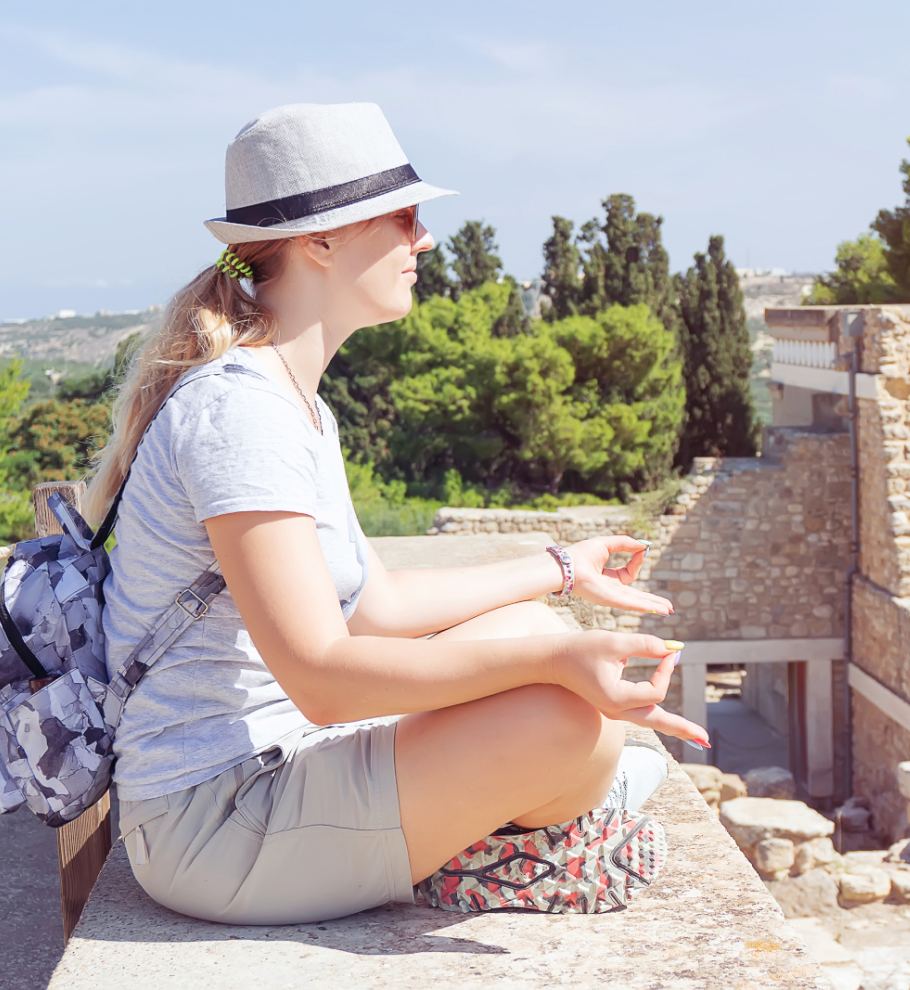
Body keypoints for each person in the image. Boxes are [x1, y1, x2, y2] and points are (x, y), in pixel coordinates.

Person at [84, 103, 708, 925]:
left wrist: (560, 570)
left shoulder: (292, 401)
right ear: (321, 241)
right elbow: (320, 679)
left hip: (273, 772)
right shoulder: (243, 414)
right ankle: (510, 837)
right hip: (218, 823)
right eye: (406, 217)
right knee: (569, 720)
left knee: (528, 629)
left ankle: (515, 813)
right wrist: (559, 666)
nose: (425, 240)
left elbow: (376, 609)